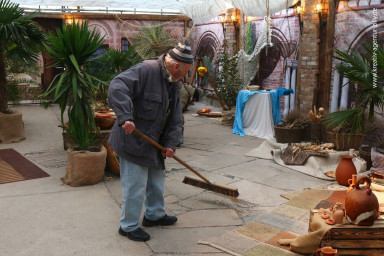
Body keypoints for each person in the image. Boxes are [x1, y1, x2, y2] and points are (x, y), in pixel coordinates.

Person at [107, 40, 193, 242]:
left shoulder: (173, 81)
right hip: (134, 139)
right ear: (176, 66)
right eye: (185, 71)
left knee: (156, 182)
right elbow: (117, 86)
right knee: (135, 186)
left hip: (157, 142)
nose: (185, 76)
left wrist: (170, 144)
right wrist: (125, 117)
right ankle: (127, 226)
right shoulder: (147, 69)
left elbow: (175, 118)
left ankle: (154, 215)